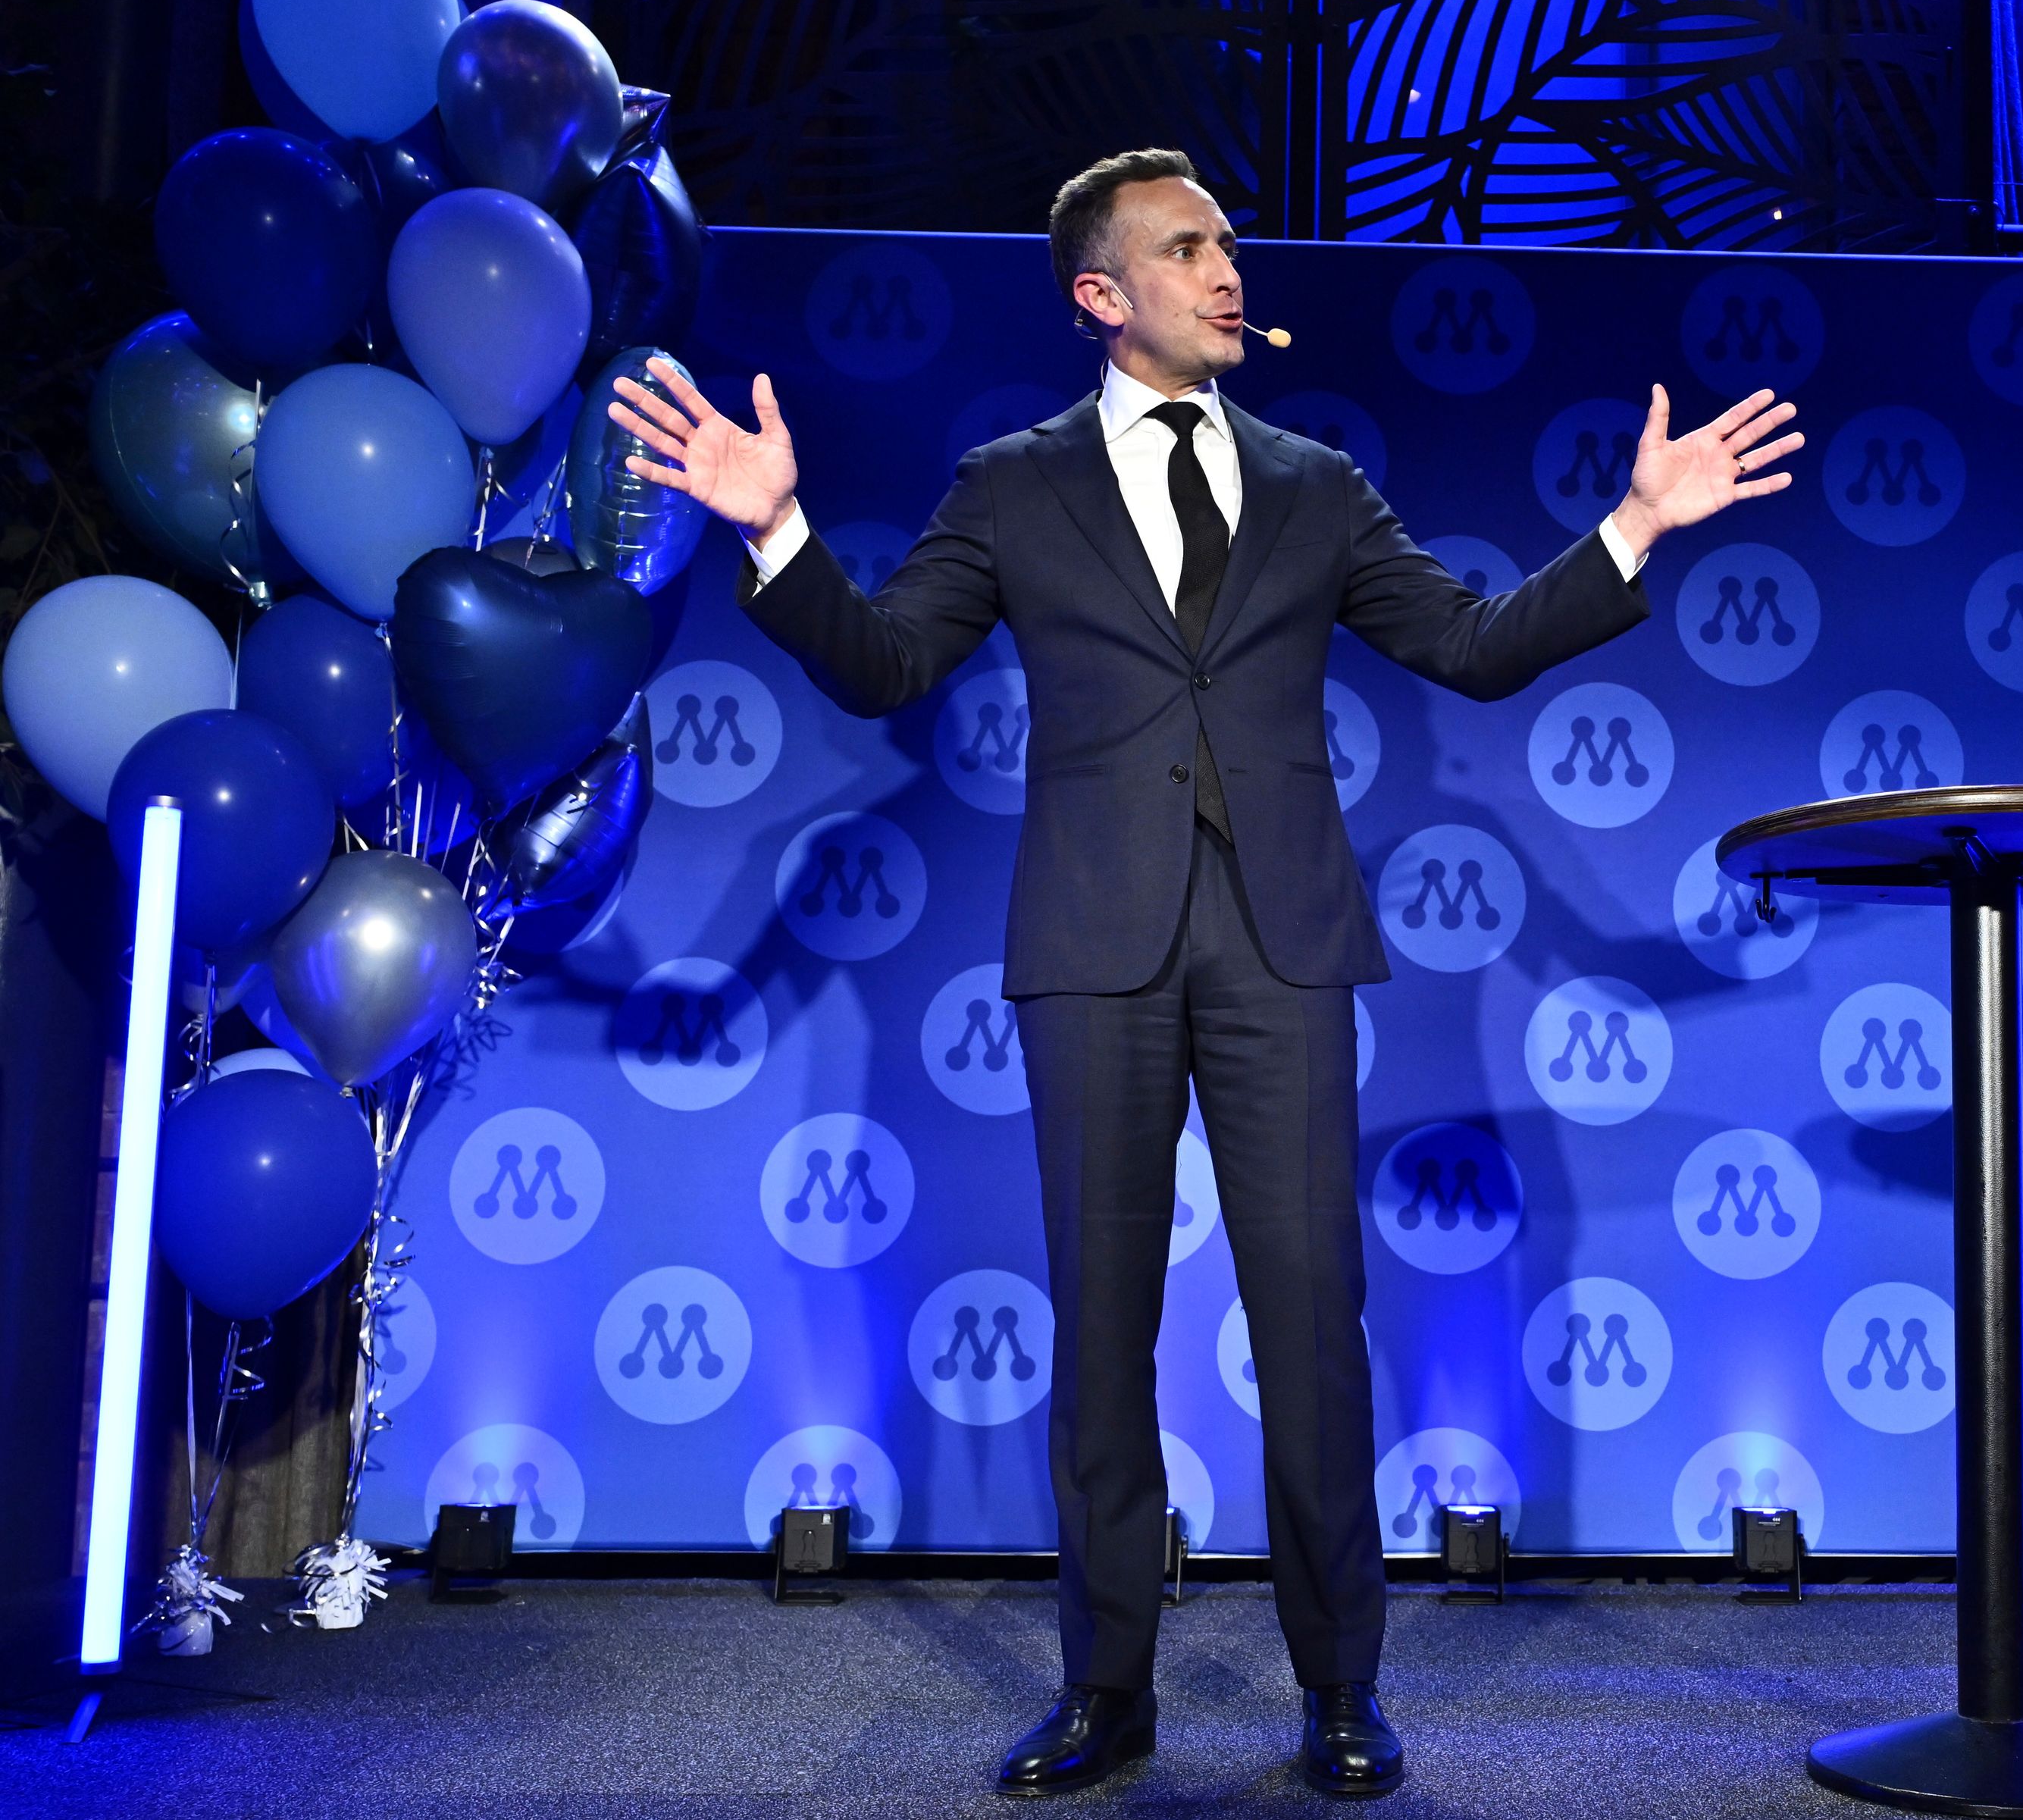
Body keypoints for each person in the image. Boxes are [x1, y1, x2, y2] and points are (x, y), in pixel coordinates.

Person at [606, 148, 1803, 1800]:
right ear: (1102, 296)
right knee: (1104, 1338)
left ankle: (1339, 1691)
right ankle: (1109, 1688)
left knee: (1316, 1322)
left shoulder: (1315, 484)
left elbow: (1468, 643)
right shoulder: (1012, 486)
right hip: (1094, 947)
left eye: (1228, 242)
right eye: (1187, 249)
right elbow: (887, 662)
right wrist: (779, 530)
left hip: (1282, 946)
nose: (1227, 270)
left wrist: (1632, 528)